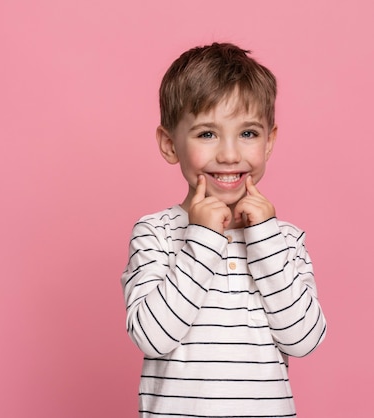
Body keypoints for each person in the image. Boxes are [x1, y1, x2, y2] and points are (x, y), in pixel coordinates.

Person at [121, 43, 327, 417]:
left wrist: (264, 237)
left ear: (270, 142)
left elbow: (303, 339)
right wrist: (202, 239)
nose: (230, 155)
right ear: (170, 145)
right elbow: (153, 337)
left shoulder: (285, 240)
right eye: (207, 134)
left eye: (248, 133)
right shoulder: (156, 234)